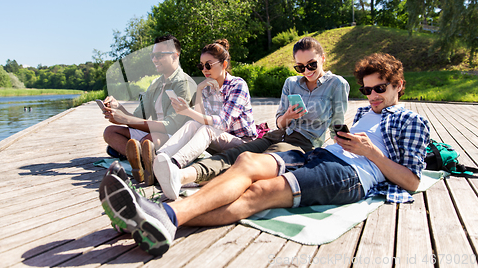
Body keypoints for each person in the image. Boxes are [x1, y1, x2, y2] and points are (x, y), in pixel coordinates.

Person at [98, 53, 431, 256]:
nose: (371, 95)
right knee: (246, 161)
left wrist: (370, 152)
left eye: (379, 89)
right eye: (367, 89)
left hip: (351, 175)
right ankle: (151, 218)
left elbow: (412, 182)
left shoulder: (411, 119)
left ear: (398, 85)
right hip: (322, 155)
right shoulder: (364, 114)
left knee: (259, 193)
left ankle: (162, 217)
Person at [154, 36, 350, 200]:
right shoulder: (291, 83)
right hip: (278, 134)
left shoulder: (336, 84)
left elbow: (338, 124)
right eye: (300, 67)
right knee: (237, 154)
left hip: (304, 142)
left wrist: (338, 153)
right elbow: (280, 122)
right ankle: (178, 176)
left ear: (323, 58)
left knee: (252, 162)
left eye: (311, 64)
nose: (307, 71)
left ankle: (189, 179)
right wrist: (288, 116)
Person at [149, 39, 257, 199]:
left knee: (205, 128)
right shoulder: (207, 86)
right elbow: (199, 118)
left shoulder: (237, 85)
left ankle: (173, 167)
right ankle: (159, 160)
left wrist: (188, 111)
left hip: (243, 142)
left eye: (208, 65)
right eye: (201, 66)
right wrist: (199, 90)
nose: (204, 70)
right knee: (193, 124)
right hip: (217, 139)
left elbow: (223, 123)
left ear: (224, 64)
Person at [101, 35, 195, 184]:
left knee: (150, 140)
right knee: (110, 132)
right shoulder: (156, 84)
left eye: (159, 55)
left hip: (174, 135)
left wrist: (124, 119)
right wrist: (118, 108)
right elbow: (138, 116)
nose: (154, 60)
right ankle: (142, 160)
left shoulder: (183, 83)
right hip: (154, 133)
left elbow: (172, 126)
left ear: (175, 56)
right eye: (153, 55)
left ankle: (134, 157)